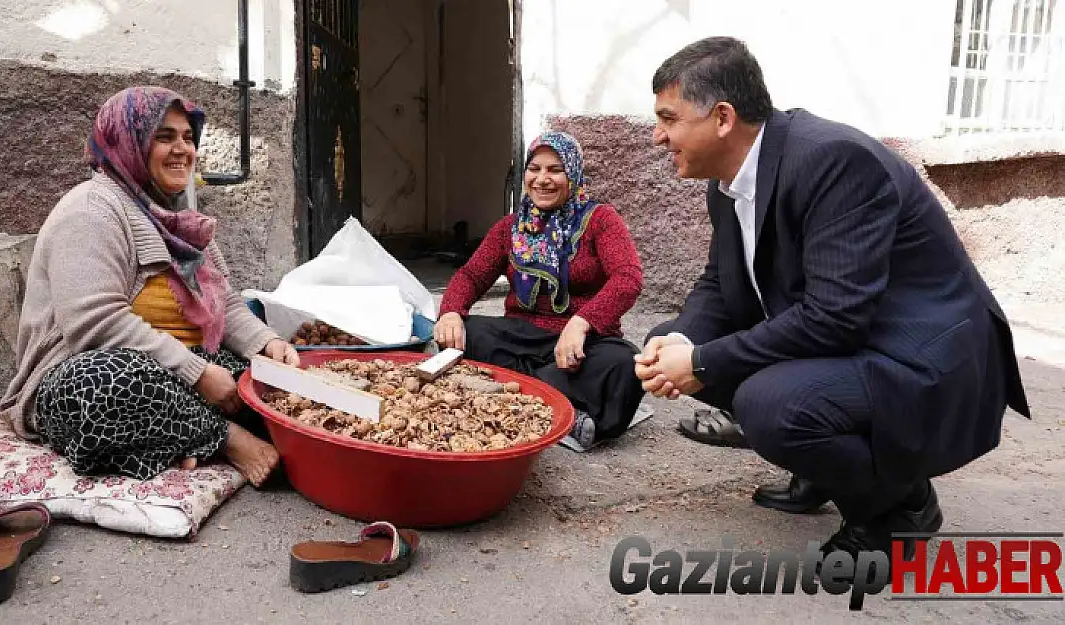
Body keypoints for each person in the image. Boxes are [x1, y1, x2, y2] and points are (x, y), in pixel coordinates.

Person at [634, 37, 1029, 562]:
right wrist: (682, 341)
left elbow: (834, 318)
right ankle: (821, 467)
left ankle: (898, 508)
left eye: (668, 118)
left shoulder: (833, 162)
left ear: (723, 118)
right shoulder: (726, 181)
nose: (658, 136)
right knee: (669, 348)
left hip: (926, 357)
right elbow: (719, 282)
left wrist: (703, 360)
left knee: (768, 404)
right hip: (855, 338)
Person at [0, 86, 299, 487]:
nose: (182, 149)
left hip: (176, 369)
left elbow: (224, 301)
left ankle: (171, 440)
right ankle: (223, 438)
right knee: (103, 387)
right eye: (164, 137)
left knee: (273, 385)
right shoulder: (90, 210)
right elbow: (95, 325)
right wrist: (197, 374)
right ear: (129, 143)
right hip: (83, 373)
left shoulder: (181, 220)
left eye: (188, 138)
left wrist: (265, 343)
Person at [434, 131, 645, 449]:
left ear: (572, 174)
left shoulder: (601, 220)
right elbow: (471, 275)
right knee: (463, 334)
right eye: (535, 169)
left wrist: (580, 323)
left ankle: (518, 395)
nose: (542, 179)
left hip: (581, 346)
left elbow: (628, 278)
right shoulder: (510, 228)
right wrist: (450, 311)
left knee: (625, 365)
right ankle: (560, 406)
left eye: (555, 170)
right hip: (522, 338)